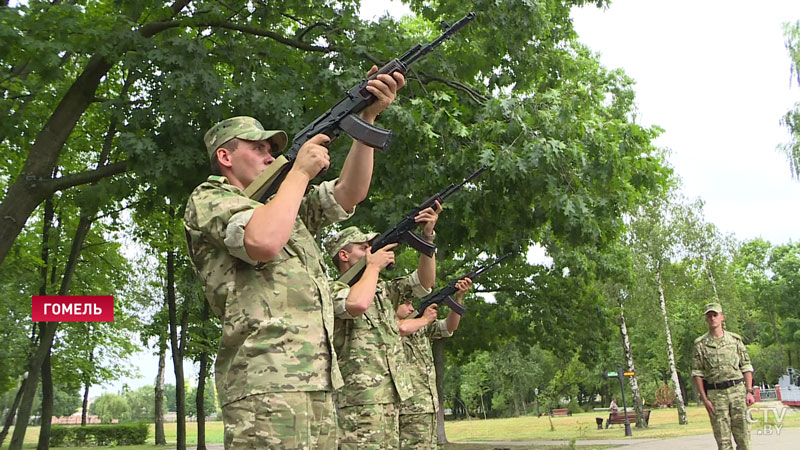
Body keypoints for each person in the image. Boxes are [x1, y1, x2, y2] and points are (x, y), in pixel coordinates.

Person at [183, 67, 404, 449]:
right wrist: (299, 172)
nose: (269, 156)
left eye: (272, 149)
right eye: (258, 148)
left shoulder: (283, 207)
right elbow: (263, 241)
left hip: (317, 380)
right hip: (265, 384)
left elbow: (350, 192)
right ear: (225, 156)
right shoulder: (208, 198)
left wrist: (366, 120)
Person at [395, 276, 472, 449]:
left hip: (427, 404)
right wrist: (425, 318)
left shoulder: (421, 327)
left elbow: (449, 327)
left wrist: (458, 298)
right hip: (406, 408)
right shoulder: (388, 326)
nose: (411, 307)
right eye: (406, 304)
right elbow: (401, 328)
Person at [692, 302, 755, 450]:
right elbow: (697, 373)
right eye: (709, 316)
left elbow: (746, 366)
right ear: (706, 320)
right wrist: (705, 399)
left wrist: (749, 391)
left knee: (744, 438)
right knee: (723, 441)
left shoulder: (735, 340)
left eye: (715, 315)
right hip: (716, 395)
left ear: (722, 317)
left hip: (737, 391)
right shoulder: (700, 344)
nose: (713, 318)